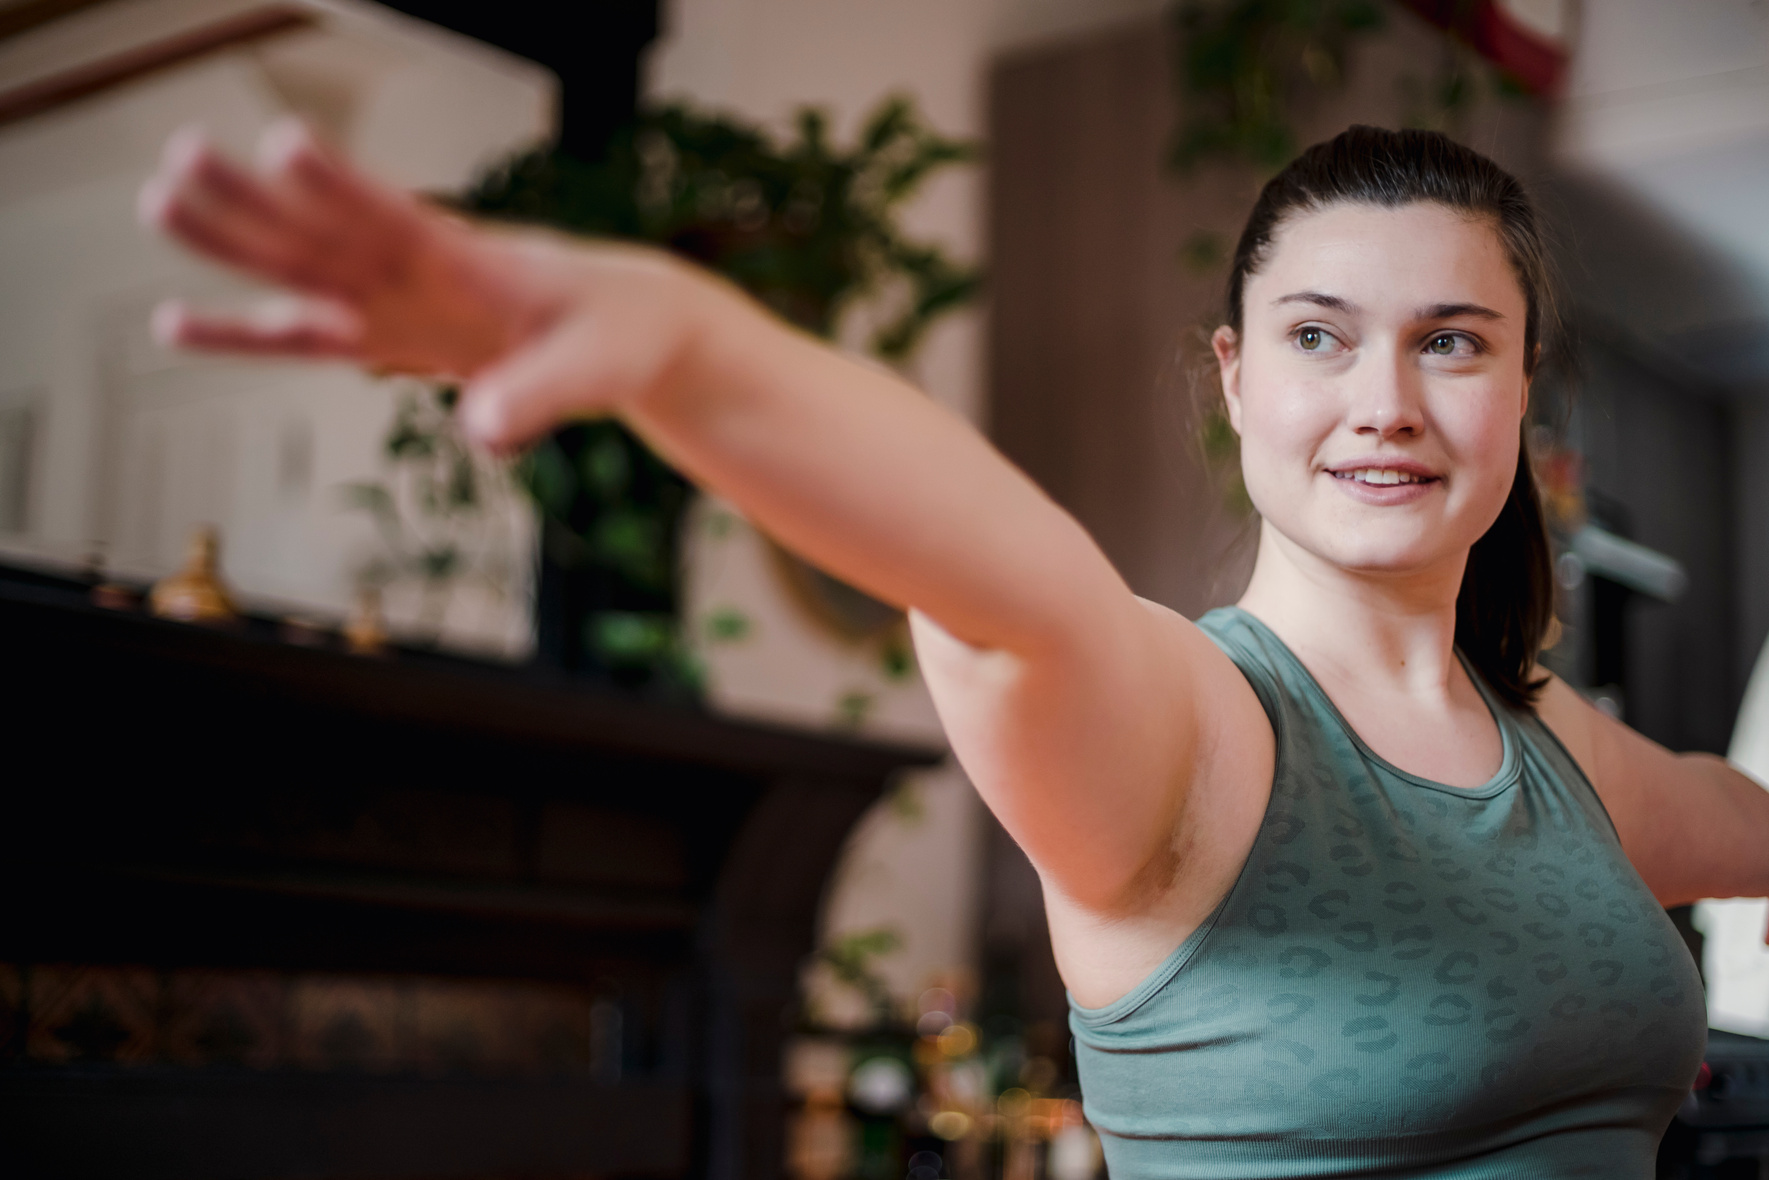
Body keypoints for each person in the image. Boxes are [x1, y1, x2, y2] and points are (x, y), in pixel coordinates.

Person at [140, 120, 1769, 1176]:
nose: (1386, 402)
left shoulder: (1554, 739)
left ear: (1517, 388)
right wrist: (690, 350)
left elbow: (1732, 816)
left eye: (1451, 344)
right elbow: (1001, 586)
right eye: (1320, 336)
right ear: (1234, 377)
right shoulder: (1198, 725)